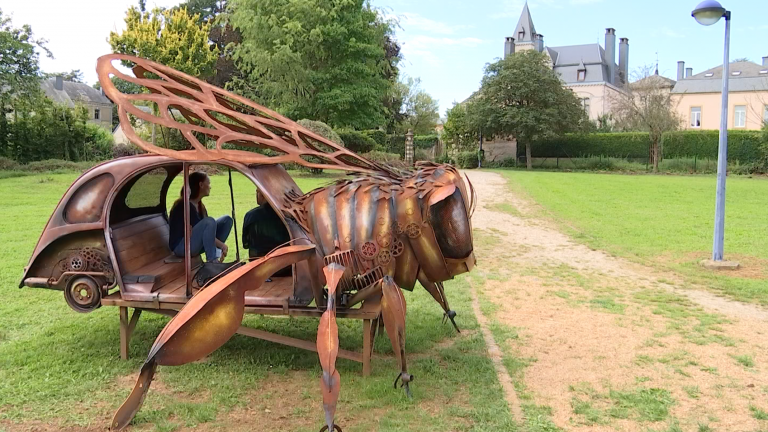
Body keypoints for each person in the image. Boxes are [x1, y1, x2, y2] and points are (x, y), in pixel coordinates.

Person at [168, 171, 233, 262]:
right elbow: (204, 230)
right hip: (181, 247)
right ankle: (212, 261)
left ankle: (216, 254)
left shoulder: (199, 205)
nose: (210, 187)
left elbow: (206, 233)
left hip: (194, 242)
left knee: (226, 220)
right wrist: (222, 245)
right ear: (201, 185)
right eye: (208, 183)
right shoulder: (184, 206)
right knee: (209, 222)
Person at [243, 190, 290, 259]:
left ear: (262, 195)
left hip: (257, 261)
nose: (256, 195)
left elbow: (245, 244)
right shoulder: (286, 215)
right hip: (282, 260)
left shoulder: (250, 215)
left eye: (257, 192)